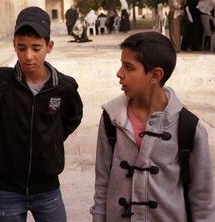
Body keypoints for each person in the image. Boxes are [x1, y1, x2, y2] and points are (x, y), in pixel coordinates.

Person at [0, 6, 83, 221]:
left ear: (49, 46)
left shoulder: (64, 87)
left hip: (48, 190)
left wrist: (49, 139)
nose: (28, 56)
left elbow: (73, 117)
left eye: (36, 48)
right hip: (6, 191)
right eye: (21, 47)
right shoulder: (0, 82)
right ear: (14, 45)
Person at [90, 31, 215, 221]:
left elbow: (203, 200)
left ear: (155, 75)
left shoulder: (188, 127)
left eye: (128, 67)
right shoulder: (111, 119)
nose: (119, 73)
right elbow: (102, 184)